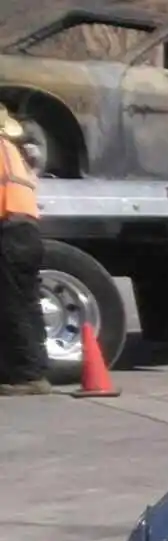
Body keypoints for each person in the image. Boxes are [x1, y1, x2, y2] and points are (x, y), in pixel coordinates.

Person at [0, 102, 49, 396]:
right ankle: (32, 370)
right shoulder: (11, 150)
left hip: (9, 231)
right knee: (25, 304)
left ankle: (27, 378)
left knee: (12, 306)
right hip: (26, 230)